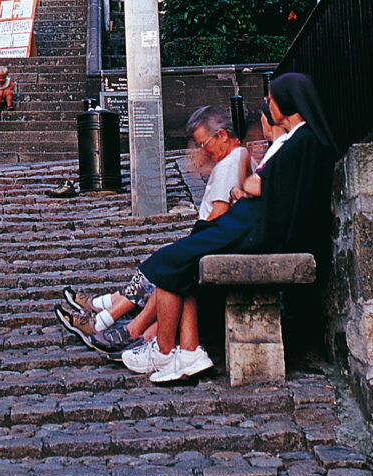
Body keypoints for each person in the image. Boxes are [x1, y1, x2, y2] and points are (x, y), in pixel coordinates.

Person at [122, 71, 338, 387]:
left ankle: (166, 351)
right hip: (252, 224)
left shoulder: (301, 141)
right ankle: (188, 350)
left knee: (170, 260)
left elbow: (260, 184)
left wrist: (249, 188)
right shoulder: (302, 141)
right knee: (182, 260)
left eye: (272, 99)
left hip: (256, 228)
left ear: (287, 103)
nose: (268, 104)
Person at [186, 104, 250, 220]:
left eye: (204, 144)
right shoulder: (240, 154)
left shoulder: (227, 165)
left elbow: (219, 213)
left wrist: (199, 236)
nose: (203, 152)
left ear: (222, 135)